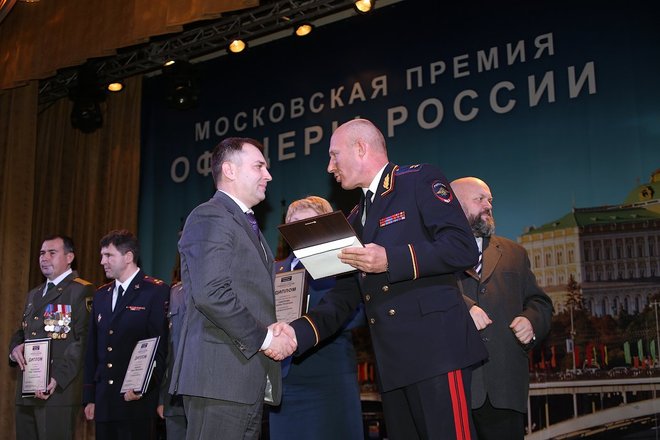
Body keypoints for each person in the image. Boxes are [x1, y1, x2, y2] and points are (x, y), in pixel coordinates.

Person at [283, 118, 488, 440]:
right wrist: (296, 334)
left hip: (436, 353)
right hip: (392, 364)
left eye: (334, 155)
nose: (329, 167)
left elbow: (462, 248)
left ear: (360, 148)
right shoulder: (355, 217)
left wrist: (391, 259)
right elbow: (344, 295)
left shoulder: (418, 180)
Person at [169, 137, 296, 440]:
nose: (268, 175)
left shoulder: (245, 224)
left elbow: (251, 297)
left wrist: (274, 328)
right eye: (259, 166)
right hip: (218, 381)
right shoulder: (210, 215)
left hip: (241, 382)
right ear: (229, 170)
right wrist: (267, 338)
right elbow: (211, 293)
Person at [451, 177, 553, 440]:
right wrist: (465, 309)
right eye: (479, 199)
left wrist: (531, 321)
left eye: (490, 200)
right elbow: (426, 297)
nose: (488, 205)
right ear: (455, 206)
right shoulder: (432, 255)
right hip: (454, 390)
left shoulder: (514, 252)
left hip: (504, 388)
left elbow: (539, 302)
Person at [269, 196, 365, 440]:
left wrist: (305, 322)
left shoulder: (343, 264)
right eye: (293, 223)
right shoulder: (274, 270)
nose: (299, 229)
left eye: (306, 223)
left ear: (323, 225)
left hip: (329, 377)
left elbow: (356, 315)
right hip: (285, 382)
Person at [83, 229, 169, 439]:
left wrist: (145, 385)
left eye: (108, 255)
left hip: (136, 400)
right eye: (102, 255)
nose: (102, 261)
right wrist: (90, 397)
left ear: (128, 256)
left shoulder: (155, 291)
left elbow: (160, 347)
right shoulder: (101, 295)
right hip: (105, 400)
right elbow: (92, 349)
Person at [9, 235, 94, 440]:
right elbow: (23, 331)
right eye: (41, 253)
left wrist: (57, 377)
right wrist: (15, 348)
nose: (44, 258)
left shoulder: (81, 290)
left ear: (69, 257)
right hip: (28, 389)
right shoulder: (34, 293)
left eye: (52, 253)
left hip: (57, 391)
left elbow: (82, 341)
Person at [157, 253, 187, 439]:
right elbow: (167, 351)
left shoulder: (218, 292)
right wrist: (162, 397)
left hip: (205, 399)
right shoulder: (174, 294)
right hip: (175, 398)